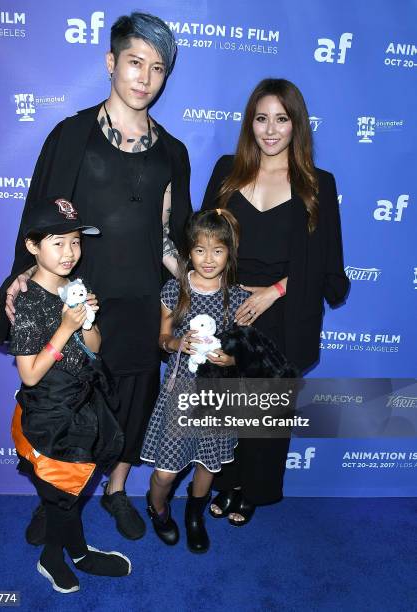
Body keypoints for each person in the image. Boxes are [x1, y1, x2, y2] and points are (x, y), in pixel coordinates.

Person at [0, 12, 192, 543]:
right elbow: (40, 220)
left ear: (165, 78)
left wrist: (198, 287)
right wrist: (24, 277)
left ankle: (117, 490)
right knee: (66, 403)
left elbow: (170, 235)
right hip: (78, 305)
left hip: (142, 304)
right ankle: (58, 497)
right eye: (135, 62)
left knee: (133, 401)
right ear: (110, 63)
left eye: (157, 67)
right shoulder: (71, 135)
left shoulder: (173, 153)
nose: (144, 76)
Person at [201, 78, 349, 525]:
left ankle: (253, 489)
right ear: (250, 124)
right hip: (227, 309)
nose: (270, 129)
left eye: (281, 120)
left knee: (264, 413)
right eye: (261, 118)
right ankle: (224, 482)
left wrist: (276, 291)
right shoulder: (227, 171)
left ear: (296, 125)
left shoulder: (317, 184)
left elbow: (328, 263)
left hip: (285, 311)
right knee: (225, 405)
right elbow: (203, 240)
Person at [8, 196, 131, 593]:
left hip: (83, 406)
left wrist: (86, 320)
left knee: (69, 493)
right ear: (33, 246)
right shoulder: (27, 301)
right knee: (62, 495)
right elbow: (28, 375)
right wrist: (64, 327)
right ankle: (52, 558)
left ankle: (77, 552)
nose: (69, 252)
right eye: (57, 242)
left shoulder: (75, 287)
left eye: (75, 241)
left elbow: (94, 346)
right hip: (49, 415)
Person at [140, 209, 250, 553]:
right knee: (166, 473)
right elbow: (161, 339)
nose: (208, 259)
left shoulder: (239, 298)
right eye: (200, 250)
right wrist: (178, 343)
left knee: (207, 465)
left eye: (217, 250)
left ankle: (194, 515)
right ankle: (157, 507)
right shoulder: (175, 290)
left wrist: (231, 358)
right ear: (189, 251)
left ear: (229, 253)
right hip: (180, 396)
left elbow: (243, 350)